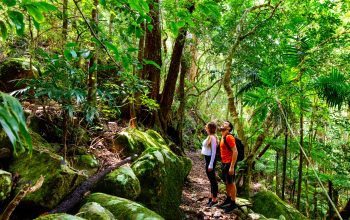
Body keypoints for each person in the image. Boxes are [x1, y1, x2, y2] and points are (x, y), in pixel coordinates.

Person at [218, 121, 238, 213]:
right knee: (227, 182)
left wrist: (232, 166)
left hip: (230, 163)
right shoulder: (222, 136)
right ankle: (228, 199)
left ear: (229, 128)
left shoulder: (229, 137)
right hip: (224, 163)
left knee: (231, 182)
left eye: (225, 123)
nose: (223, 124)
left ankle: (233, 204)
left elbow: (235, 151)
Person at [201, 122, 219, 207]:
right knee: (211, 180)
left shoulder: (212, 138)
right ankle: (211, 198)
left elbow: (214, 152)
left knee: (213, 181)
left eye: (207, 127)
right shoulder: (210, 137)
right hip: (208, 159)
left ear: (210, 128)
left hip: (210, 160)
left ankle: (214, 200)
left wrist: (211, 164)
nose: (205, 128)